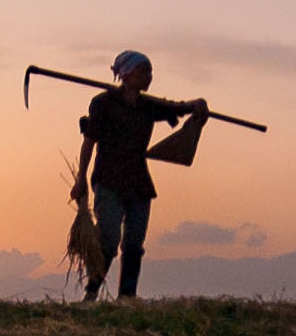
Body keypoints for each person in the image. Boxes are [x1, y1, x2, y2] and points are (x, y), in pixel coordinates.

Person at [75, 50, 209, 301]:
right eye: (143, 72)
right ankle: (92, 292)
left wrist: (197, 104)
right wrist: (80, 178)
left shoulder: (148, 106)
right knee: (109, 239)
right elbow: (89, 142)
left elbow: (177, 107)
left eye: (150, 72)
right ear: (126, 74)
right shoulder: (103, 104)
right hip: (109, 180)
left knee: (134, 243)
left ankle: (127, 296)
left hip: (138, 182)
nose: (149, 77)